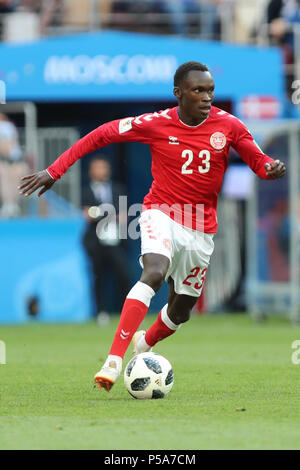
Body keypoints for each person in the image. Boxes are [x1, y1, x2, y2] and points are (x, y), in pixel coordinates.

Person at [18, 61, 286, 392]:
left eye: (210, 91)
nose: (206, 98)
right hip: (162, 212)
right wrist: (55, 170)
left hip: (202, 230)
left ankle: (144, 343)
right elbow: (102, 134)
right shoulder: (156, 123)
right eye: (197, 90)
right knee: (154, 271)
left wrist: (271, 168)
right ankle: (113, 360)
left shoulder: (229, 126)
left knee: (181, 311)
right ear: (179, 94)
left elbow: (258, 162)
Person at [81, 155, 130, 322]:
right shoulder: (85, 191)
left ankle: (127, 312)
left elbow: (123, 215)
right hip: (95, 241)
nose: (101, 171)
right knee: (98, 277)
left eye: (103, 167)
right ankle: (101, 312)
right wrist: (105, 214)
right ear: (90, 171)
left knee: (123, 274)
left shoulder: (118, 189)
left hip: (115, 240)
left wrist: (101, 214)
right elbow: (86, 214)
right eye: (97, 168)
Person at [0, 112, 27, 217]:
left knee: (18, 172)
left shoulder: (7, 126)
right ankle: (7, 204)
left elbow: (9, 148)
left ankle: (13, 205)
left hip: (14, 161)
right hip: (3, 162)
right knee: (3, 173)